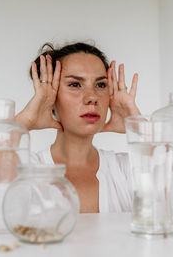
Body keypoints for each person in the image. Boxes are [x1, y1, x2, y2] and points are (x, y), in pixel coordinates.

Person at [15, 42, 141, 213]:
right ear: (51, 97)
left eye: (101, 85)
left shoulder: (125, 170)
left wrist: (138, 126)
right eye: (75, 84)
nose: (92, 97)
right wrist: (25, 120)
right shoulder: (27, 169)